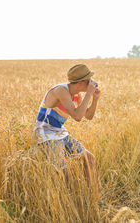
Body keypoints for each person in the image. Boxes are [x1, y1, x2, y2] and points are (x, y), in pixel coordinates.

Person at [34, 64, 101, 193]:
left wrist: (95, 99)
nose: (92, 83)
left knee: (89, 159)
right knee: (63, 173)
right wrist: (89, 94)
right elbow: (77, 116)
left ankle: (95, 199)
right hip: (45, 134)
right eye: (90, 81)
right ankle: (68, 205)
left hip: (59, 133)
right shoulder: (60, 91)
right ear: (82, 82)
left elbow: (87, 116)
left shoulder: (76, 95)